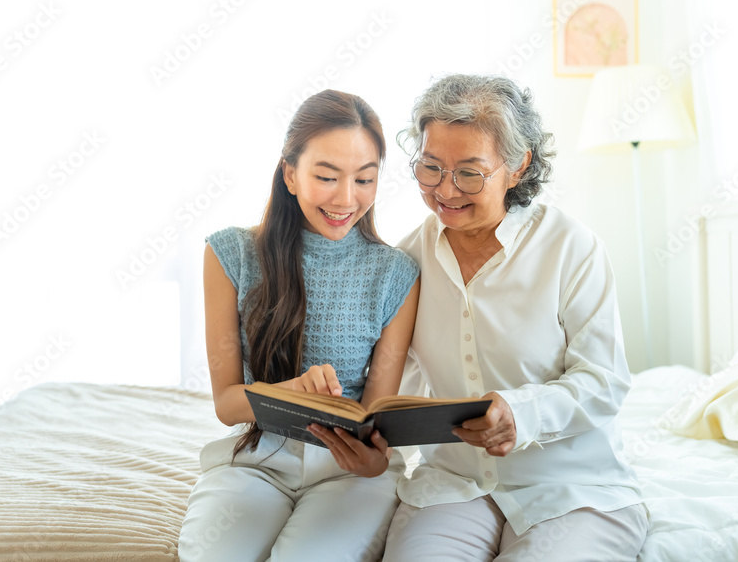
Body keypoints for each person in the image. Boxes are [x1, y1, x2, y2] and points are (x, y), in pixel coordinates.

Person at [383, 74, 648, 561]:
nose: (446, 189)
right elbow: (393, 386)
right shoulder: (406, 261)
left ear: (518, 165)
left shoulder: (572, 247)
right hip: (453, 487)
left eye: (469, 172)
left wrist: (520, 413)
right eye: (430, 167)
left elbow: (604, 381)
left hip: (574, 491)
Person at [177, 89, 421, 562]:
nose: (346, 199)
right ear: (290, 174)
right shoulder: (231, 255)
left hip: (348, 472)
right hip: (257, 459)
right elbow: (228, 404)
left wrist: (373, 462)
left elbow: (375, 417)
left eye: (365, 179)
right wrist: (289, 392)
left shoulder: (396, 275)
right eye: (327, 177)